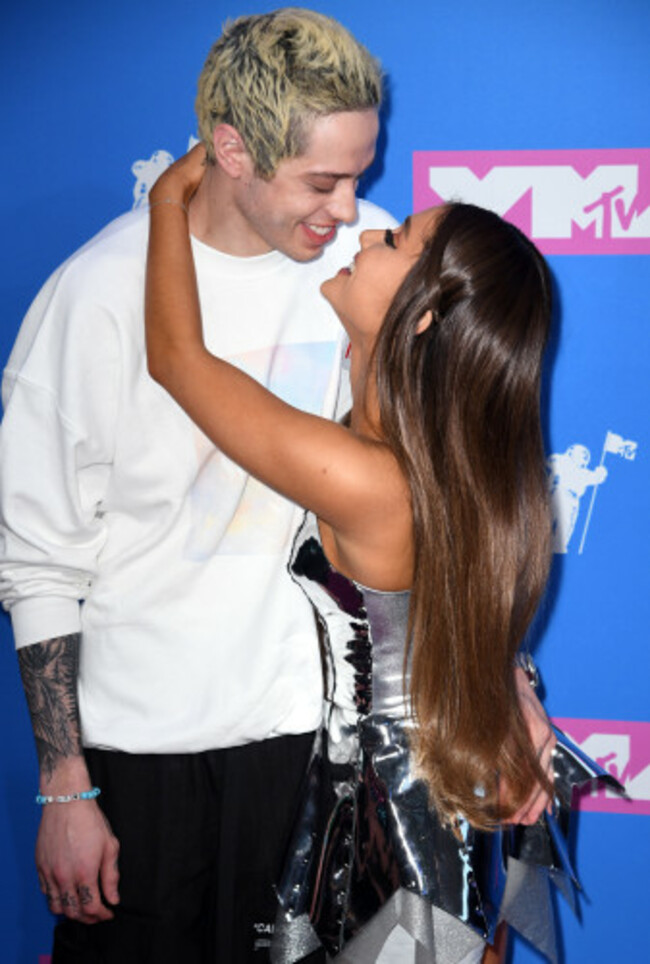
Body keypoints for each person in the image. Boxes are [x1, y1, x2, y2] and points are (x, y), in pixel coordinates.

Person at [143, 148, 619, 963]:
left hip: (394, 827)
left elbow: (177, 361)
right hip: (430, 810)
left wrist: (167, 199)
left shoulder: (369, 479)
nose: (363, 238)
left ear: (423, 315)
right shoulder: (449, 468)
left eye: (392, 241)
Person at [0, 10, 396, 962]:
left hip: (326, 756)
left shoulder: (376, 266)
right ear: (230, 149)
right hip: (146, 764)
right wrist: (66, 784)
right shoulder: (95, 292)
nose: (348, 210)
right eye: (321, 180)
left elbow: (456, 490)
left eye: (360, 174)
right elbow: (39, 558)